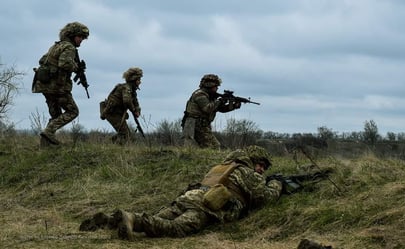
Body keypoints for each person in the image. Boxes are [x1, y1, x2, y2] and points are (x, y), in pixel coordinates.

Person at [79, 145, 283, 240]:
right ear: (253, 160)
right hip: (204, 207)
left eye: (265, 168)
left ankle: (110, 220)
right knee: (175, 229)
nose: (262, 170)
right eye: (261, 165)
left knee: (157, 220)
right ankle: (129, 217)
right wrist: (276, 184)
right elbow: (265, 198)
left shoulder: (221, 167)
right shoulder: (248, 173)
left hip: (187, 198)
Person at [32, 21, 89, 146]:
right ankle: (49, 131)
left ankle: (45, 145)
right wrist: (76, 67)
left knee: (56, 115)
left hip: (44, 85)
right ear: (73, 35)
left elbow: (43, 59)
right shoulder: (69, 47)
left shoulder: (56, 46)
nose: (81, 40)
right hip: (57, 87)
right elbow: (64, 63)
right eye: (80, 37)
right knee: (73, 111)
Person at [182, 74, 241, 149]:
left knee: (213, 146)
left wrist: (234, 106)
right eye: (216, 86)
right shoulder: (200, 94)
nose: (217, 88)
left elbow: (221, 109)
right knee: (212, 146)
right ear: (209, 85)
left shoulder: (211, 96)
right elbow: (207, 108)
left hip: (202, 124)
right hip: (194, 124)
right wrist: (219, 101)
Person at [99, 67, 143, 145]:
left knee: (126, 135)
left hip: (117, 113)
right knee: (125, 135)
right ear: (134, 80)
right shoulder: (126, 88)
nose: (140, 82)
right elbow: (127, 101)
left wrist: (137, 111)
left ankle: (107, 145)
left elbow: (135, 102)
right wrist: (133, 110)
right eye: (139, 80)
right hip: (112, 113)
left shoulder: (132, 90)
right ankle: (106, 144)